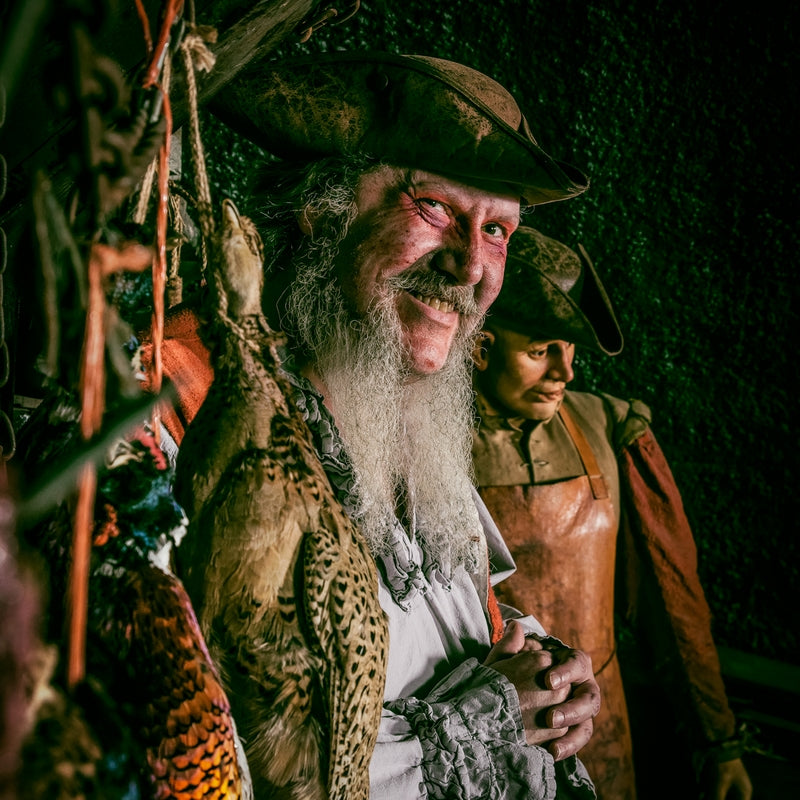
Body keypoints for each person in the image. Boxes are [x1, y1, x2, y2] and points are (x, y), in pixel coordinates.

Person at [144, 53, 601, 798]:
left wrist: (540, 670)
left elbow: (432, 619)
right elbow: (200, 758)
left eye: (496, 231)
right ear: (321, 209)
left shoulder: (403, 414)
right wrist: (490, 718)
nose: (469, 266)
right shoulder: (174, 400)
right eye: (435, 209)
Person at [471, 226, 753, 800]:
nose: (565, 372)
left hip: (606, 739)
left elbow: (673, 602)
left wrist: (719, 741)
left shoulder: (610, 427)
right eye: (539, 350)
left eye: (569, 348)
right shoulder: (422, 446)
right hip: (485, 748)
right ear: (480, 347)